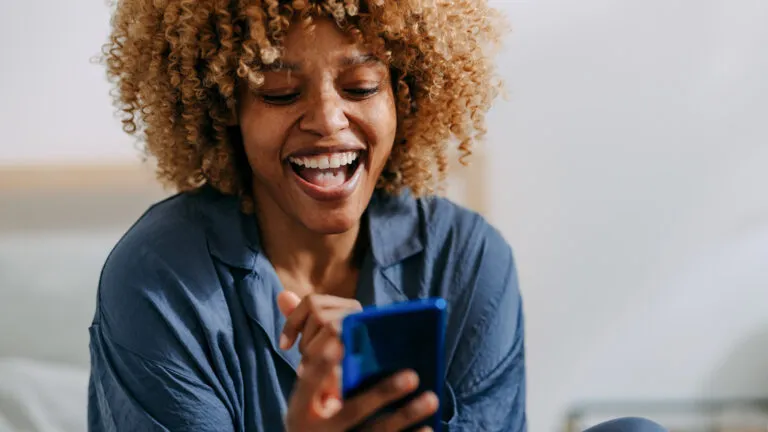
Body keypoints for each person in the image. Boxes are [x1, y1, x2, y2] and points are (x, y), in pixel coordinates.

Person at [87, 0, 666, 431]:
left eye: (361, 85)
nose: (328, 120)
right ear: (224, 108)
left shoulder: (467, 259)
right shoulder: (159, 280)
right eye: (282, 91)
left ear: (404, 94)